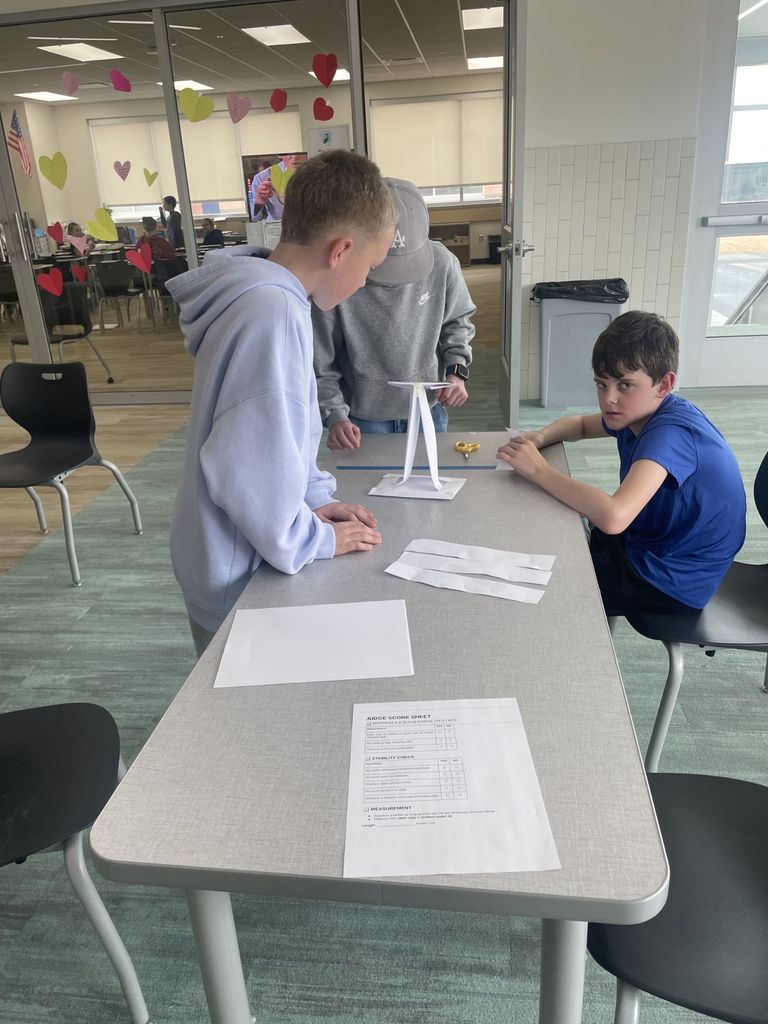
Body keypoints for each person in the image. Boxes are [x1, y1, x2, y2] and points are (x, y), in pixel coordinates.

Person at [166, 149, 397, 656]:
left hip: (225, 548)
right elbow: (244, 466)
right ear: (340, 251)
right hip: (236, 570)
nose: (364, 284)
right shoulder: (271, 313)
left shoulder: (264, 295)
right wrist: (315, 539)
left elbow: (276, 438)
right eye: (370, 266)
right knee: (242, 719)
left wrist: (313, 501)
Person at [496, 310, 746, 617]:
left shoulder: (671, 434)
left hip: (673, 579)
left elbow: (615, 517)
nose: (608, 399)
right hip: (656, 545)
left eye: (624, 385)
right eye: (601, 384)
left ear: (663, 385)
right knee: (560, 536)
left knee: (550, 585)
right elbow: (581, 425)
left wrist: (539, 470)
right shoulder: (638, 412)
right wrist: (538, 437)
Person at [312, 178, 476, 449]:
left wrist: (456, 371)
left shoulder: (443, 263)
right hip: (362, 417)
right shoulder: (336, 279)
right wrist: (335, 415)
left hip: (428, 409)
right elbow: (321, 358)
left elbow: (457, 320)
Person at [250, 154, 304, 222]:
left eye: (298, 152)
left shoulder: (318, 173)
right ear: (280, 155)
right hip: (277, 229)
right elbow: (254, 219)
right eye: (288, 153)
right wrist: (258, 202)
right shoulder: (262, 178)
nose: (295, 157)